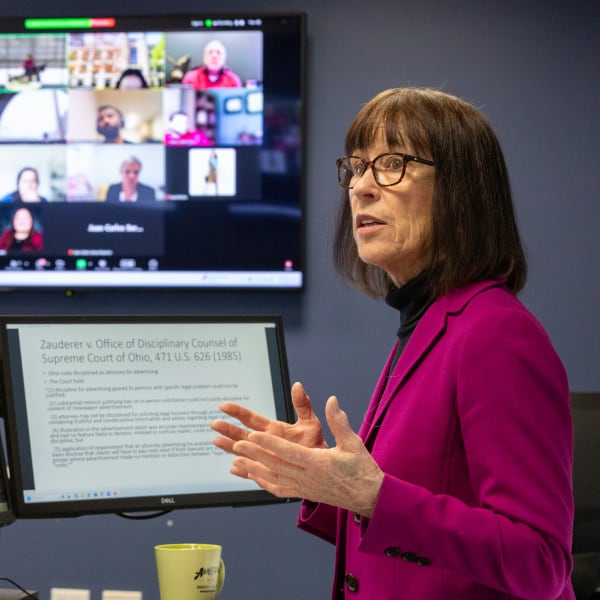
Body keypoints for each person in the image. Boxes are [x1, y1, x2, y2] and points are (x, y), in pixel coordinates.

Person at [211, 88, 575, 599]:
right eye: (357, 167)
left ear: (461, 190)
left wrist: (374, 496)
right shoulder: (427, 320)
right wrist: (321, 480)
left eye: (391, 164)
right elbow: (411, 528)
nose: (360, 187)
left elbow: (541, 562)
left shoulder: (496, 332)